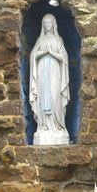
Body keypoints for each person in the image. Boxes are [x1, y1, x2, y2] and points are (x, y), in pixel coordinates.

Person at [29, 13, 70, 145]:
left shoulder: (59, 40)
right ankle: (43, 126)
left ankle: (58, 125)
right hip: (42, 71)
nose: (47, 25)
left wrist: (51, 53)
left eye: (49, 23)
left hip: (54, 71)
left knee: (54, 96)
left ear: (54, 24)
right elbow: (33, 56)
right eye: (45, 23)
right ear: (43, 25)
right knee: (43, 96)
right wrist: (42, 53)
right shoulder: (40, 40)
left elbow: (64, 58)